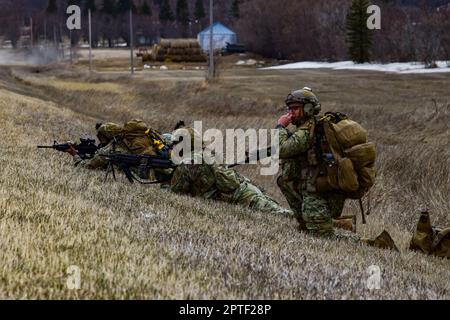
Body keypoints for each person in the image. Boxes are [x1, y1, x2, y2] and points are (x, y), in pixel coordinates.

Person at [275, 87, 398, 250]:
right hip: (320, 187)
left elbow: (282, 149)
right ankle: (330, 223)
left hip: (320, 190)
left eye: (296, 108)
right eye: (290, 109)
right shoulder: (312, 127)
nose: (291, 113)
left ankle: (376, 244)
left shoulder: (306, 130)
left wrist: (280, 127)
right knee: (305, 222)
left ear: (309, 108)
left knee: (322, 236)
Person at [167, 127, 293, 217]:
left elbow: (175, 192)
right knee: (283, 213)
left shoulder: (188, 163)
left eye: (175, 144)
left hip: (238, 197)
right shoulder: (207, 153)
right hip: (246, 189)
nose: (173, 148)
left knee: (284, 215)